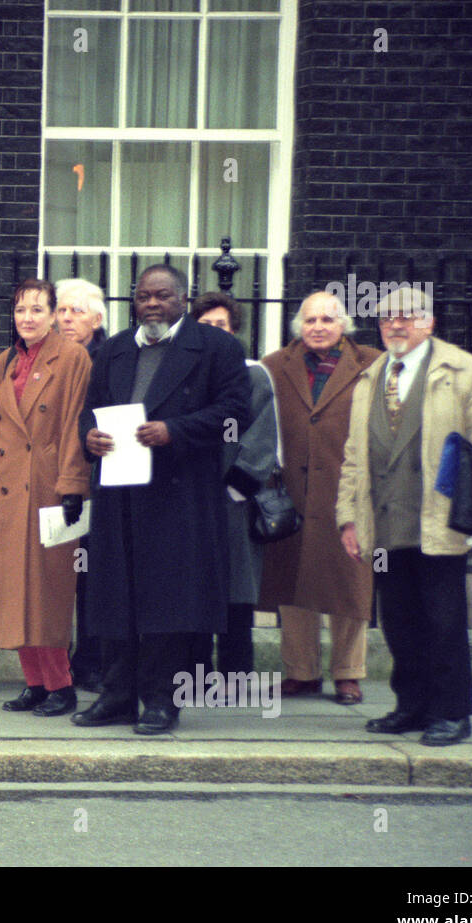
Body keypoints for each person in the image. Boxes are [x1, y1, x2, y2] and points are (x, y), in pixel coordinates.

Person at [73, 264, 250, 734]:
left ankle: (160, 701)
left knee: (167, 602)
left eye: (163, 296)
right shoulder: (113, 350)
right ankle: (116, 695)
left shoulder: (218, 348)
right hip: (119, 491)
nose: (152, 303)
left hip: (179, 495)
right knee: (116, 596)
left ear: (182, 298)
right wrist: (89, 437)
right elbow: (88, 414)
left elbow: (235, 413)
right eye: (144, 296)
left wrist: (176, 430)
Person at [338, 287, 472, 746]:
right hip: (385, 519)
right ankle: (411, 706)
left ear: (429, 323)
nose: (396, 325)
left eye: (408, 317)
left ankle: (452, 712)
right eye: (387, 318)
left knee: (444, 620)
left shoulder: (467, 371)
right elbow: (354, 455)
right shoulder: (369, 377)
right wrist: (347, 518)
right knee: (397, 620)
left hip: (440, 517)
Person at [0, 278, 90, 718]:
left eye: (37, 309)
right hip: (7, 489)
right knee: (14, 591)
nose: (28, 318)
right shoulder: (5, 361)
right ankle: (35, 683)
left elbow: (77, 422)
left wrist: (73, 483)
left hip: (49, 490)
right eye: (20, 310)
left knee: (48, 591)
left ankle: (62, 685)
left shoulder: (72, 358)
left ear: (54, 314)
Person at [259, 291, 381, 704]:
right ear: (299, 326)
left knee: (349, 582)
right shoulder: (275, 365)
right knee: (293, 583)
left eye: (327, 320)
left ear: (343, 325)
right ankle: (301, 672)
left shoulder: (371, 363)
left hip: (347, 490)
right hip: (290, 489)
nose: (318, 327)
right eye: (310, 320)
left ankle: (348, 673)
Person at [189, 292, 279, 680]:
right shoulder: (184, 374)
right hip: (190, 496)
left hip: (232, 500)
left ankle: (235, 674)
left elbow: (264, 433)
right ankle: (194, 671)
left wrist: (238, 482)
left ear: (235, 329)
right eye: (205, 325)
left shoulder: (253, 374)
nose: (213, 332)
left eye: (220, 325)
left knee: (235, 591)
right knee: (191, 590)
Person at [54, 277, 108, 691]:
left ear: (98, 318)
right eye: (61, 310)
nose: (66, 317)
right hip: (54, 482)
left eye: (76, 310)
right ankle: (56, 665)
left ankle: (91, 661)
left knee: (93, 578)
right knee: (58, 576)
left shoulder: (109, 357)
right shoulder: (49, 358)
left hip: (99, 484)